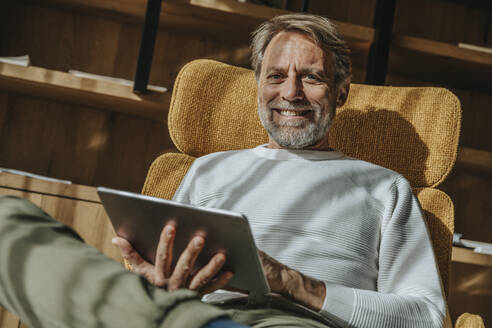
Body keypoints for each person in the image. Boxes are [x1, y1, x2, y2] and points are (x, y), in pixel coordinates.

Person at [0, 14, 446, 328]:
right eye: (275, 77)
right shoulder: (208, 170)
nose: (290, 92)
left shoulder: (383, 188)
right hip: (175, 316)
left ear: (342, 91)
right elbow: (164, 272)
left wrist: (293, 284)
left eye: (311, 77)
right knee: (8, 226)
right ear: (257, 87)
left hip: (288, 322)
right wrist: (156, 282)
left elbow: (426, 318)